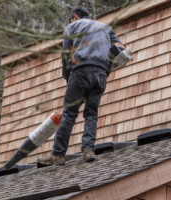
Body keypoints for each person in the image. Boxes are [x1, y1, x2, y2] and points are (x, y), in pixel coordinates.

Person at [39, 6, 123, 166]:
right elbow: (120, 48)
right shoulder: (105, 27)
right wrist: (106, 69)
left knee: (70, 113)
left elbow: (66, 56)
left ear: (75, 17)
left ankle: (58, 154)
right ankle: (88, 150)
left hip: (81, 70)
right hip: (101, 73)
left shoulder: (72, 27)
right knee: (91, 113)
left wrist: (68, 78)